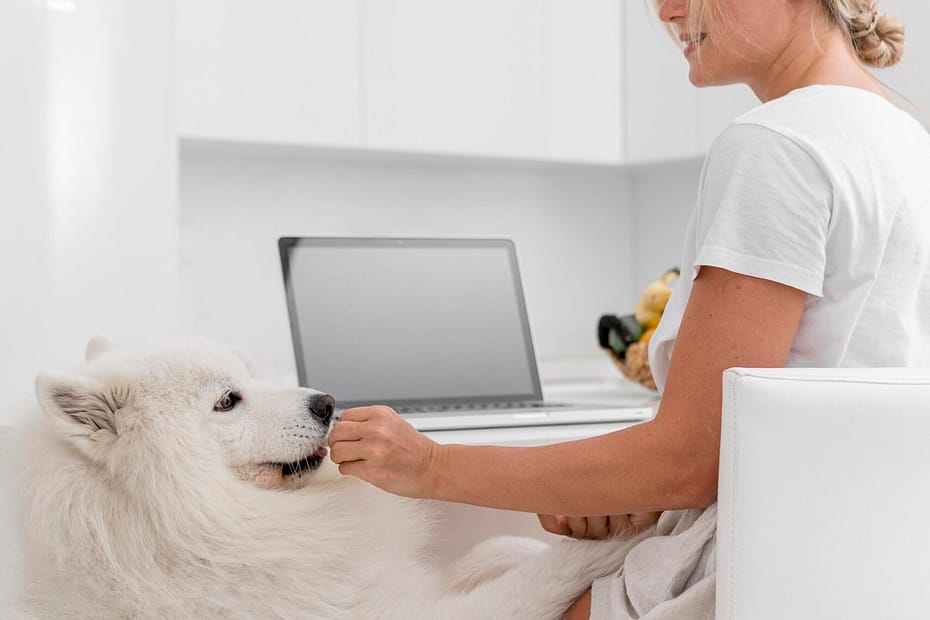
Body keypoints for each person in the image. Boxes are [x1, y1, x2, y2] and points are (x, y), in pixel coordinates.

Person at [328, 0, 929, 617]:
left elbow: (690, 458)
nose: (668, 11)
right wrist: (629, 481)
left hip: (748, 575)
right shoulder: (908, 141)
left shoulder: (776, 146)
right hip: (865, 572)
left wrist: (430, 465)